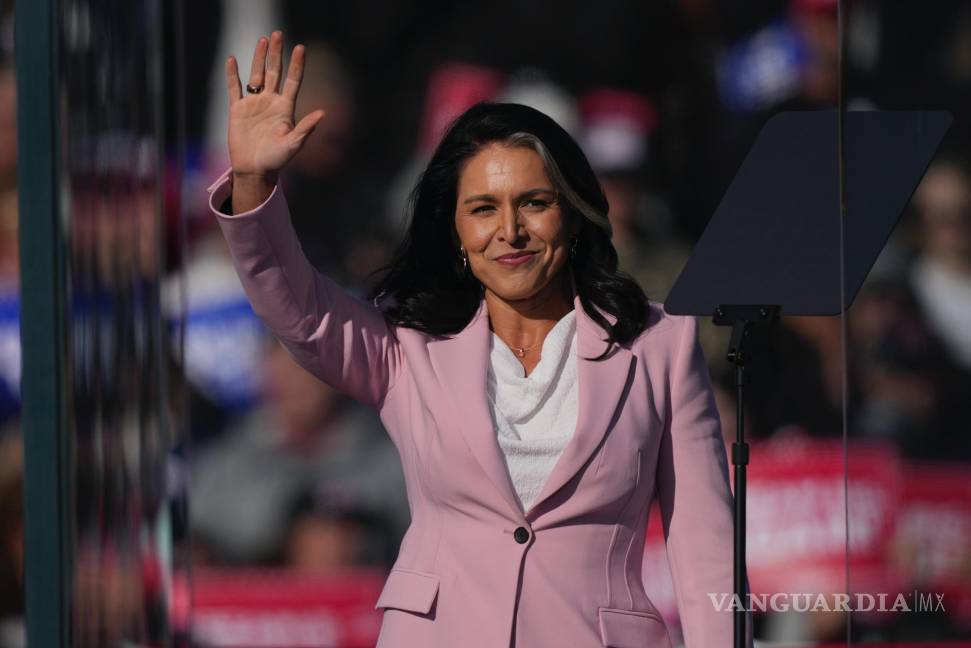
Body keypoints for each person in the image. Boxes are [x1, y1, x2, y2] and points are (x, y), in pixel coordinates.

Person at [208, 30, 753, 648]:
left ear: (571, 215)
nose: (511, 231)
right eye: (484, 208)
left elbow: (706, 546)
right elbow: (300, 311)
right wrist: (253, 183)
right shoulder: (407, 348)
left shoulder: (660, 344)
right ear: (457, 232)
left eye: (534, 202)